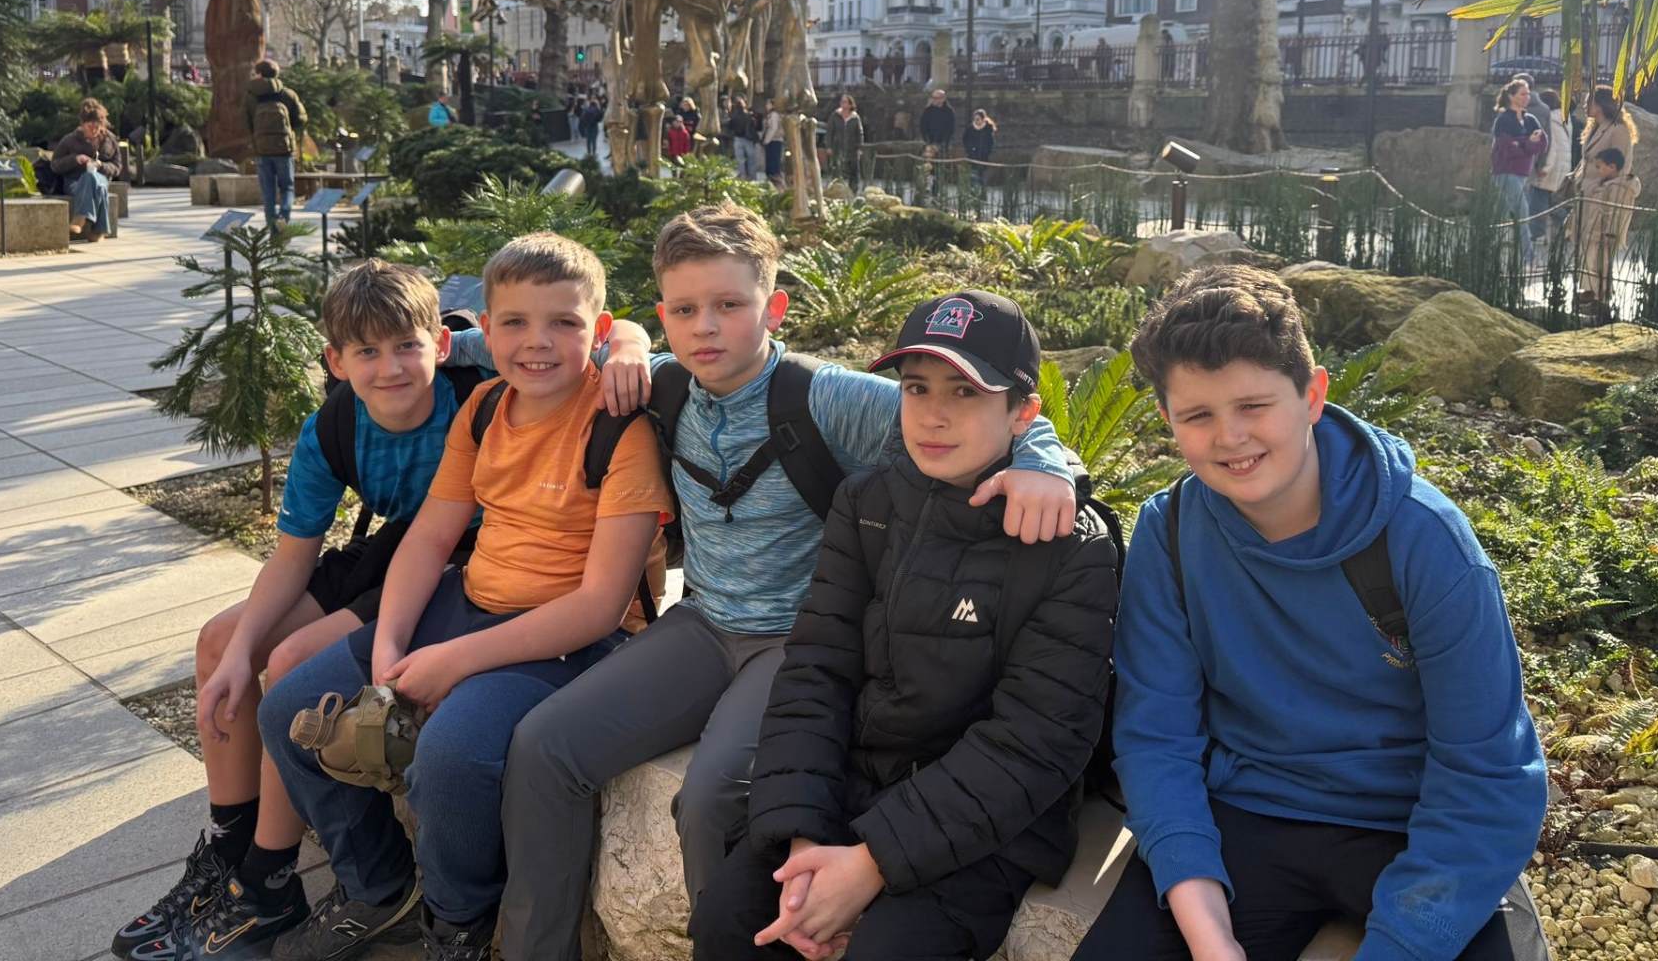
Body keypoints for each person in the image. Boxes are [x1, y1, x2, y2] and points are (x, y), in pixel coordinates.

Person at [496, 208, 1078, 961]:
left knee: (712, 795)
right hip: (702, 624)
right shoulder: (665, 384)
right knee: (543, 746)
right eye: (683, 310)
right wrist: (629, 341)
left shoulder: (824, 396)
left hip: (799, 640)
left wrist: (1045, 465)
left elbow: (990, 412)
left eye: (729, 305)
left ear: (774, 308)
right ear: (664, 316)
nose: (706, 326)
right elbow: (501, 339)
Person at [1073, 264, 1548, 961]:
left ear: (1313, 395)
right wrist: (1209, 933)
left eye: (1253, 405)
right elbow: (1156, 737)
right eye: (1199, 416)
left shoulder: (1426, 543)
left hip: (1412, 825)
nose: (1230, 437)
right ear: (1169, 422)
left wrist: (1402, 943)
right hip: (1247, 813)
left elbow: (1487, 774)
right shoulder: (1170, 532)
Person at [257, 235, 670, 961]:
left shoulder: (618, 427)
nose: (536, 342)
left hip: (569, 635)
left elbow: (600, 605)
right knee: (288, 708)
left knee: (450, 757)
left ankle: (459, 922)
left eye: (564, 323)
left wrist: (453, 661)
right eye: (514, 323)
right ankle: (379, 887)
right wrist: (389, 645)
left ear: (600, 331)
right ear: (483, 327)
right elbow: (428, 539)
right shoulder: (483, 405)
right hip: (470, 599)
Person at [685, 288, 1112, 961]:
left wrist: (871, 864)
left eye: (965, 393)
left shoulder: (1070, 545)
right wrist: (803, 836)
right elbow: (815, 672)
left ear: (1023, 413)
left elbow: (1038, 739)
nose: (934, 415)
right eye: (917, 388)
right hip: (853, 785)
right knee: (730, 921)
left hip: (990, 823)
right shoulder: (867, 503)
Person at [110, 263, 490, 960]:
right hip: (395, 546)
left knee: (291, 664)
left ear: (438, 344)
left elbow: (588, 337)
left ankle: (270, 875)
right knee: (219, 641)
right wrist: (236, 656)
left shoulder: (476, 383)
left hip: (465, 558)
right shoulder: (334, 427)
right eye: (366, 352)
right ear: (336, 361)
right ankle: (229, 851)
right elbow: (291, 559)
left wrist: (622, 346)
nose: (390, 368)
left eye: (405, 346)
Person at [1574, 146, 1641, 319]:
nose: (1598, 171)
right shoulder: (1605, 184)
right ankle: (1591, 291)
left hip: (1605, 234)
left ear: (1612, 167)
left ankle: (1600, 295)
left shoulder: (1620, 187)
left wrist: (1611, 232)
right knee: (1590, 262)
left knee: (1601, 265)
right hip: (1594, 231)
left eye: (1600, 167)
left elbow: (1616, 213)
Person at [246, 59, 309, 230]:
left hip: (261, 150)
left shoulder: (251, 96)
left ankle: (272, 227)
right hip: (284, 149)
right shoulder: (287, 94)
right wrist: (288, 130)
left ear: (259, 74)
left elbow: (245, 122)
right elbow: (301, 119)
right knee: (287, 188)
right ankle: (283, 218)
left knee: (268, 192)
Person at [50, 97, 122, 242]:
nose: (94, 130)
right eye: (90, 127)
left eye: (97, 127)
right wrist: (75, 159)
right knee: (98, 187)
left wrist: (101, 165)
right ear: (82, 124)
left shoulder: (110, 140)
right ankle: (99, 230)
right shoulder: (69, 140)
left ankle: (80, 219)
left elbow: (117, 167)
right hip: (74, 182)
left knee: (95, 180)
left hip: (101, 178)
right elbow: (55, 165)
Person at [1489, 79, 1546, 258]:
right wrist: (1528, 142)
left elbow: (1542, 143)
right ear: (1511, 96)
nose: (1527, 97)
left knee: (1503, 211)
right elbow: (1508, 149)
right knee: (1522, 211)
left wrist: (1522, 144)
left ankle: (1487, 249)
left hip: (1523, 172)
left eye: (1528, 93)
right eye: (1522, 93)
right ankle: (1528, 256)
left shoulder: (1530, 120)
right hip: (1506, 171)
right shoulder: (1503, 120)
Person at [1529, 89, 1570, 242]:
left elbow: (1551, 146)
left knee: (1538, 202)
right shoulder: (1564, 118)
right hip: (1561, 166)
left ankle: (1537, 234)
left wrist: (1544, 167)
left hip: (1550, 167)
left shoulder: (1550, 119)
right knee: (1553, 202)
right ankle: (1566, 227)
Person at [829, 93, 865, 192]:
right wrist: (829, 146)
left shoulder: (855, 118)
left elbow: (860, 134)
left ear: (850, 104)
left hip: (852, 148)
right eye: (842, 102)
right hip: (838, 147)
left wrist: (860, 148)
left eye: (845, 102)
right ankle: (836, 191)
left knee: (853, 172)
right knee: (837, 170)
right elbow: (830, 131)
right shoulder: (835, 116)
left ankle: (853, 191)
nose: (842, 104)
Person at [725, 95, 762, 181]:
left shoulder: (734, 116)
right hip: (748, 139)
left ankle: (743, 175)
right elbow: (754, 127)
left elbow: (730, 126)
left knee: (740, 159)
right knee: (751, 159)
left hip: (738, 138)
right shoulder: (748, 115)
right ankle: (752, 176)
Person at [918, 89, 956, 155]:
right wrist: (928, 141)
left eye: (936, 98)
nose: (933, 100)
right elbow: (923, 127)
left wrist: (942, 143)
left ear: (943, 99)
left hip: (943, 142)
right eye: (933, 97)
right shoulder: (928, 111)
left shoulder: (949, 112)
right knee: (927, 151)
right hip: (929, 140)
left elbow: (950, 129)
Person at [762, 97, 787, 190]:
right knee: (770, 163)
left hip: (774, 141)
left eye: (768, 104)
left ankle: (777, 185)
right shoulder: (769, 115)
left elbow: (773, 128)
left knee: (773, 164)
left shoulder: (774, 115)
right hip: (772, 141)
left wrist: (766, 140)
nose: (766, 106)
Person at [577, 96, 604, 161]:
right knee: (594, 140)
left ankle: (589, 153)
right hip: (594, 126)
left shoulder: (586, 110)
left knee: (588, 140)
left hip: (588, 127)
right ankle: (594, 153)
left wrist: (585, 125)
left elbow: (582, 118)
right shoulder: (597, 110)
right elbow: (600, 118)